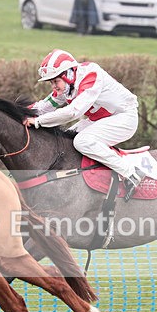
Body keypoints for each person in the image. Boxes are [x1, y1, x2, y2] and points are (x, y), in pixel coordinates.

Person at [22, 49, 146, 201]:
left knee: (82, 141)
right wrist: (16, 113)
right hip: (100, 119)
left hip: (124, 118)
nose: (53, 86)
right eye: (51, 82)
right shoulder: (67, 85)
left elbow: (73, 112)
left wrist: (38, 122)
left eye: (55, 81)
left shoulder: (90, 76)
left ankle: (130, 173)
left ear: (68, 75)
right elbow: (43, 107)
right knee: (63, 143)